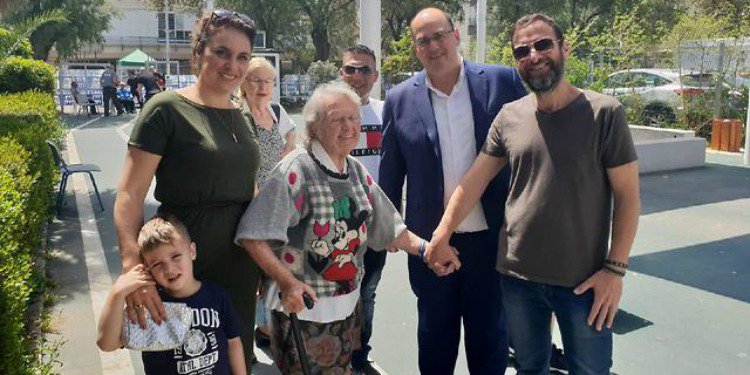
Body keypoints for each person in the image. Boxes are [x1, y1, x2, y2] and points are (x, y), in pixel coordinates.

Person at [428, 13, 641, 375]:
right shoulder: (509, 117)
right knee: (529, 368)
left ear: (564, 48)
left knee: (590, 370)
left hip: (584, 283)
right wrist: (441, 233)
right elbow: (474, 181)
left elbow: (628, 197)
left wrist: (615, 270)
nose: (534, 55)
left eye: (543, 44)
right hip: (517, 279)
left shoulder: (605, 113)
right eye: (522, 50)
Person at [234, 82, 459, 374]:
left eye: (353, 118)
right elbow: (253, 236)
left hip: (347, 308)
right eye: (337, 119)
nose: (349, 126)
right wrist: (287, 282)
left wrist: (427, 249)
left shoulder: (354, 170)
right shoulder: (296, 170)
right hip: (303, 312)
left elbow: (390, 226)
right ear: (314, 127)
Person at [378, 7, 527, 374]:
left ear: (456, 35)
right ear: (415, 48)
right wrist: (397, 233)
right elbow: (389, 179)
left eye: (440, 35)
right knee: (434, 343)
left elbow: (532, 154)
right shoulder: (399, 99)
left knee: (489, 343)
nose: (433, 46)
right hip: (431, 248)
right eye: (423, 40)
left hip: (492, 243)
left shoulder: (503, 82)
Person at [114, 9, 261, 370]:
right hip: (180, 264)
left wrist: (266, 259)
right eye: (222, 52)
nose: (233, 65)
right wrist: (136, 273)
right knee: (183, 362)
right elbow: (130, 194)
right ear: (199, 53)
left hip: (238, 266)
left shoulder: (242, 115)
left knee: (235, 359)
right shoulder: (165, 109)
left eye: (242, 56)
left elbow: (250, 188)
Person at [97, 215, 247, 375]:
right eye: (157, 264)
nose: (169, 269)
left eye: (175, 256)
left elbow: (233, 343)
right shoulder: (150, 306)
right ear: (148, 269)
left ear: (192, 251)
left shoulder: (217, 296)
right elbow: (107, 344)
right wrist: (117, 293)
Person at [238, 56, 297, 349]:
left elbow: (292, 135)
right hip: (246, 206)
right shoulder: (239, 115)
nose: (262, 86)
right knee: (247, 276)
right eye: (255, 80)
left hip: (274, 204)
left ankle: (263, 329)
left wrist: (287, 152)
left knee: (270, 272)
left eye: (268, 81)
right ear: (244, 85)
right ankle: (242, 342)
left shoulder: (276, 111)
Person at [338, 44, 385, 374]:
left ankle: (359, 356)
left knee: (367, 291)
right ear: (341, 73)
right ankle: (334, 355)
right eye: (350, 69)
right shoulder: (327, 113)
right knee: (336, 293)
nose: (357, 76)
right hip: (335, 225)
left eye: (364, 69)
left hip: (375, 225)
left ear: (375, 76)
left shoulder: (387, 112)